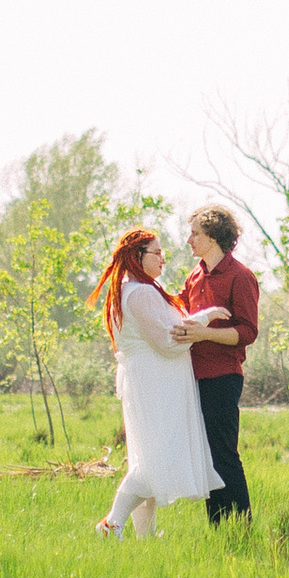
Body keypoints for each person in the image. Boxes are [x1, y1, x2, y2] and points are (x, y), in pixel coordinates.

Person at [87, 227, 225, 539]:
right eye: (157, 252)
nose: (164, 258)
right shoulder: (140, 293)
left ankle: (143, 537)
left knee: (148, 456)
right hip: (155, 381)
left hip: (152, 378)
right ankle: (111, 524)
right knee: (154, 460)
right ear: (138, 257)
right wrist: (206, 318)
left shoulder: (135, 290)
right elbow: (168, 340)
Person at [178, 204, 259, 524]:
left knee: (224, 455)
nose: (189, 240)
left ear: (213, 236)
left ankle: (241, 526)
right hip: (192, 378)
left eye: (195, 233)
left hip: (223, 377)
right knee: (205, 458)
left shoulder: (241, 276)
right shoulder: (194, 275)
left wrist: (204, 333)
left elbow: (248, 332)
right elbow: (180, 315)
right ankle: (219, 528)